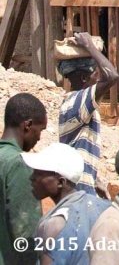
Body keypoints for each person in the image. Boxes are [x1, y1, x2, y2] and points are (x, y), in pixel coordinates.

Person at [25, 142, 110, 265]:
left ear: (61, 182)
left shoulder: (53, 225)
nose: (32, 178)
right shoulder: (105, 207)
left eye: (39, 174)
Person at [58, 31, 119, 196]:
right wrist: (90, 47)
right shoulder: (78, 101)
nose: (98, 80)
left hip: (81, 189)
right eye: (95, 75)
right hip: (79, 194)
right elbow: (112, 76)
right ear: (84, 78)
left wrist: (94, 181)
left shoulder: (75, 103)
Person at [1, 93, 46, 265]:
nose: (40, 138)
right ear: (28, 125)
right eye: (40, 130)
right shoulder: (19, 164)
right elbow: (26, 235)